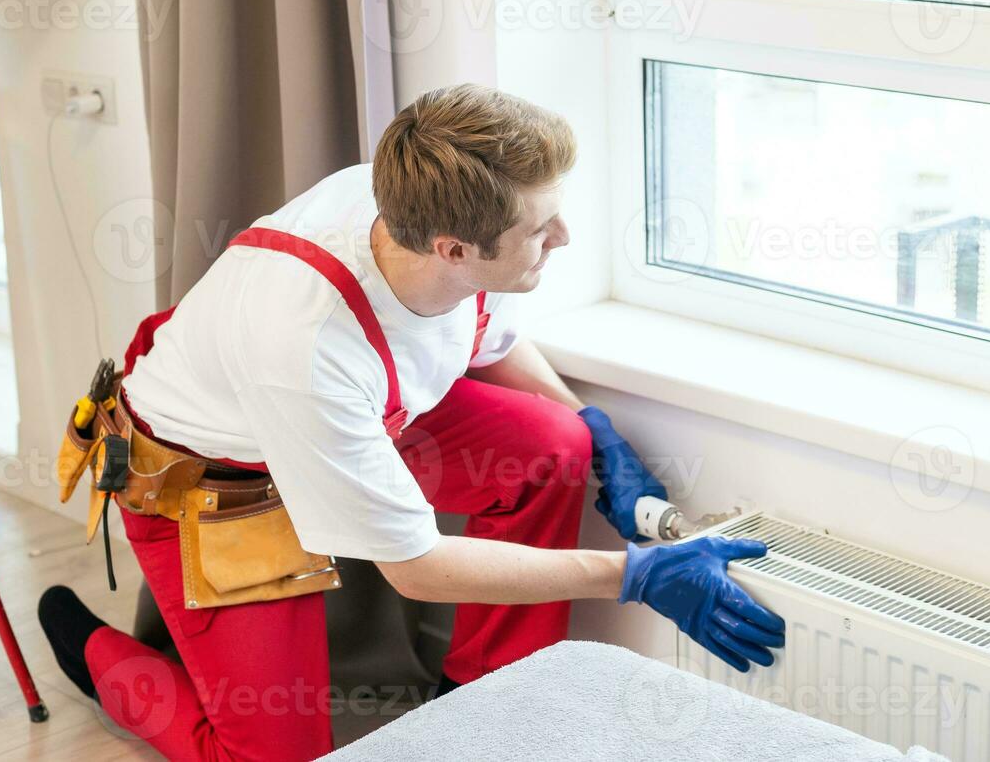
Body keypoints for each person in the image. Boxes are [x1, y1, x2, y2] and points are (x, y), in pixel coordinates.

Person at [39, 83, 783, 761]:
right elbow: (417, 568)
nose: (564, 239)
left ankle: (486, 703)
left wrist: (591, 426)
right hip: (217, 484)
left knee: (554, 448)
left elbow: (489, 334)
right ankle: (96, 653)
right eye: (541, 229)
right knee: (268, 757)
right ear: (453, 250)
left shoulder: (433, 204)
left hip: (348, 418)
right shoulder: (306, 343)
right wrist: (630, 575)